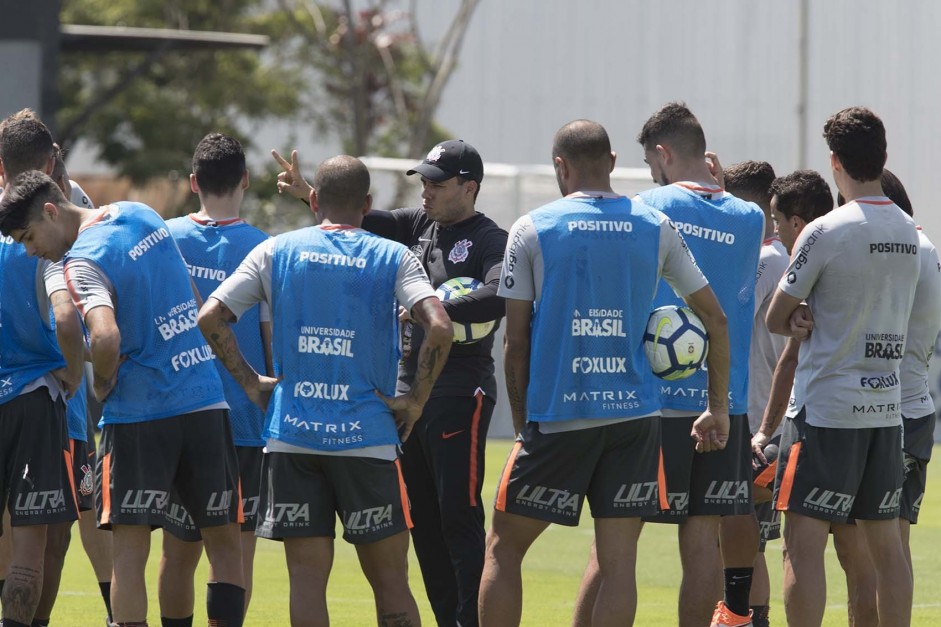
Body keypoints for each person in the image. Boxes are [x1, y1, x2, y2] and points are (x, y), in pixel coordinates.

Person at [478, 119, 730, 627]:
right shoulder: (654, 225)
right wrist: (718, 406)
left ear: (559, 167)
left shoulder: (532, 227)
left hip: (558, 418)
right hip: (636, 422)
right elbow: (716, 319)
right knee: (620, 565)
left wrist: (525, 423)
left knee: (504, 548)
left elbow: (516, 342)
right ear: (613, 163)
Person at [198, 154, 453, 626]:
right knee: (391, 582)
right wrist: (415, 399)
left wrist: (252, 383)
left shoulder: (275, 251)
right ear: (368, 204)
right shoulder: (394, 256)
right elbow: (440, 327)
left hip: (294, 438)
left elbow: (209, 317)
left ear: (313, 200)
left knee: (307, 582)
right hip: (369, 441)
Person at [273, 140, 507, 627]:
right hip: (403, 398)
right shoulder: (417, 225)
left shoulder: (489, 239)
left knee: (458, 516)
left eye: (437, 185)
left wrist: (435, 308)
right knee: (419, 520)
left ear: (470, 188)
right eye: (423, 182)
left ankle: (470, 621)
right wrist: (309, 194)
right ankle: (448, 617)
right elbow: (355, 218)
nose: (426, 193)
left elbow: (495, 296)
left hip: (460, 393)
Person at [0, 171, 246, 626]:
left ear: (52, 212)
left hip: (138, 415)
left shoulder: (81, 261)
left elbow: (106, 337)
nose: (31, 251)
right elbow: (195, 300)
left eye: (29, 237)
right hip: (204, 400)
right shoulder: (144, 214)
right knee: (224, 544)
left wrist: (98, 381)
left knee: (130, 553)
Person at [591, 102, 763, 627]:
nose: (649, 175)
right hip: (723, 402)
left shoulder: (648, 206)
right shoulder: (751, 216)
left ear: (663, 154)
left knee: (616, 546)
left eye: (650, 162)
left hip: (655, 403)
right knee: (701, 542)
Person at [764, 107, 918, 627]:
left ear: (834, 162)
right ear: (883, 156)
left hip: (825, 411)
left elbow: (776, 317)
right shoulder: (908, 231)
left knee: (800, 549)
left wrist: (801, 319)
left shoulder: (825, 230)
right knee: (887, 549)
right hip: (884, 410)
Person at [0, 110, 114, 627]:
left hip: (44, 396)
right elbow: (72, 312)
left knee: (56, 527)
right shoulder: (58, 219)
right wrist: (77, 369)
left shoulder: (76, 207)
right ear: (51, 159)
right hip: (45, 394)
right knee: (41, 532)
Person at [158, 133, 272, 627]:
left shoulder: (162, 239)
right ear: (245, 180)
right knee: (236, 553)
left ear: (192, 183)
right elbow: (271, 338)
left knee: (177, 552)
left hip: (178, 411)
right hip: (244, 421)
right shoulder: (267, 249)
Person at [750, 169, 839, 625]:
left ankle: (750, 618)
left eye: (778, 220)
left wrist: (764, 431)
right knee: (869, 550)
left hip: (805, 423)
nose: (776, 231)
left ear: (798, 222)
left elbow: (784, 348)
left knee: (787, 546)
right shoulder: (862, 252)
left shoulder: (795, 261)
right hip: (877, 419)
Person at [720, 159, 784, 627]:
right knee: (745, 538)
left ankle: (747, 619)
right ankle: (750, 619)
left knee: (741, 537)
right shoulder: (774, 256)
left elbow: (724, 308)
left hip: (758, 422)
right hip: (760, 416)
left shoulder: (766, 259)